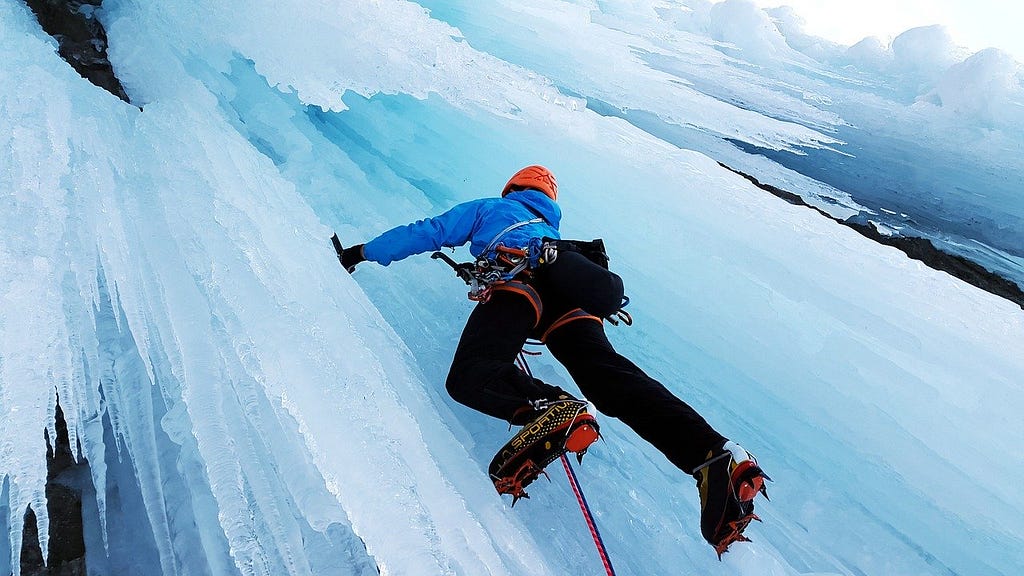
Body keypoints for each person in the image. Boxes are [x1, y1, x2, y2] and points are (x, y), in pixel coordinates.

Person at [337, 165, 769, 556]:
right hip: (574, 301)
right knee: (609, 378)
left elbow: (428, 230)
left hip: (521, 286)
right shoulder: (556, 237)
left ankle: (552, 406)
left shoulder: (492, 209)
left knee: (472, 374)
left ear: (512, 189)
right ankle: (714, 453)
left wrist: (361, 253)